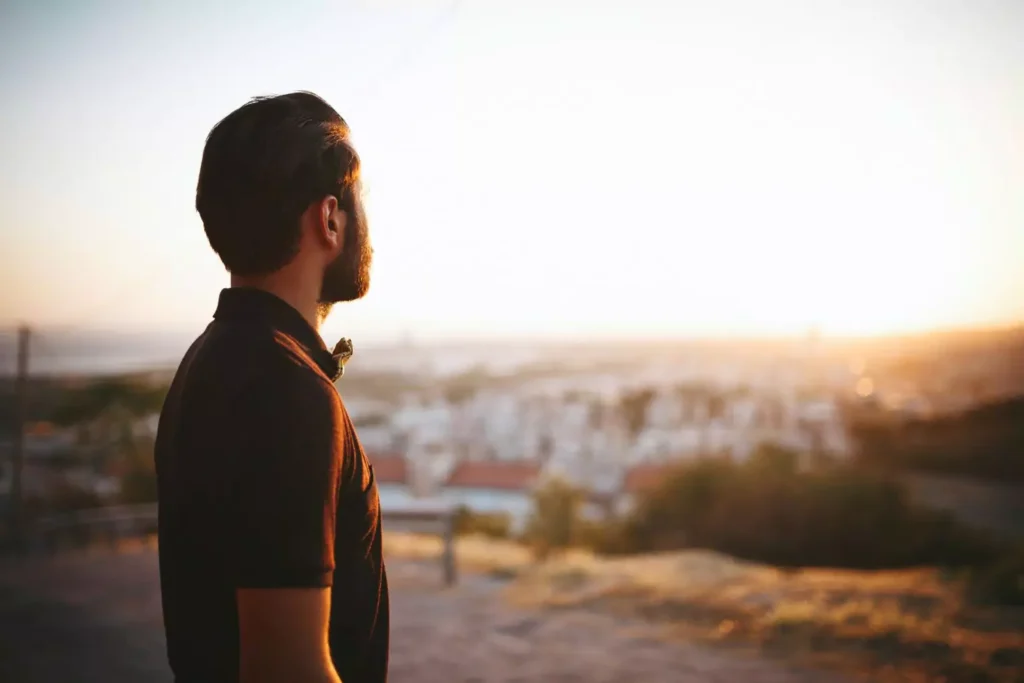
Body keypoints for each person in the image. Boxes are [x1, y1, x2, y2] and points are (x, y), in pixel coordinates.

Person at [155, 92, 386, 683]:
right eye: (360, 204)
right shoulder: (287, 391)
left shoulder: (211, 359)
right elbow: (288, 670)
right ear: (329, 218)